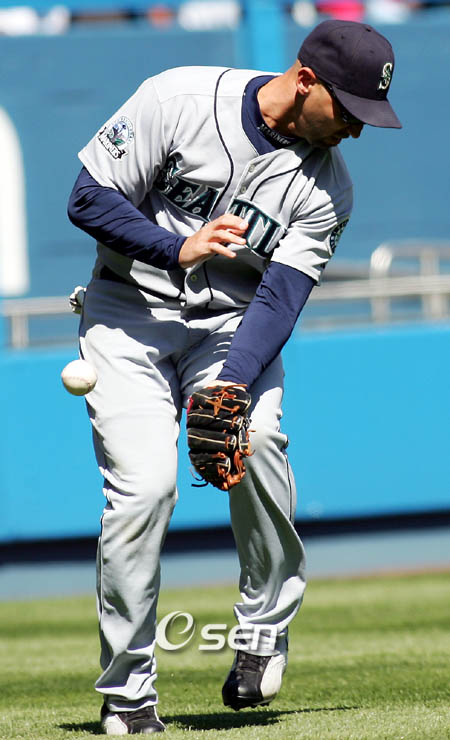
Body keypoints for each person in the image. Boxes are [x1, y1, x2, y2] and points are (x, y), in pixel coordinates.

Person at [67, 19, 401, 735]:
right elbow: (87, 198)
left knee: (260, 442)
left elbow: (282, 296)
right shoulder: (178, 99)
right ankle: (128, 693)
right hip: (127, 314)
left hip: (232, 324)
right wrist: (173, 248)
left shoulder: (329, 188)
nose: (356, 129)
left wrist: (232, 384)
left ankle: (263, 629)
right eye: (348, 109)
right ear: (305, 79)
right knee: (143, 492)